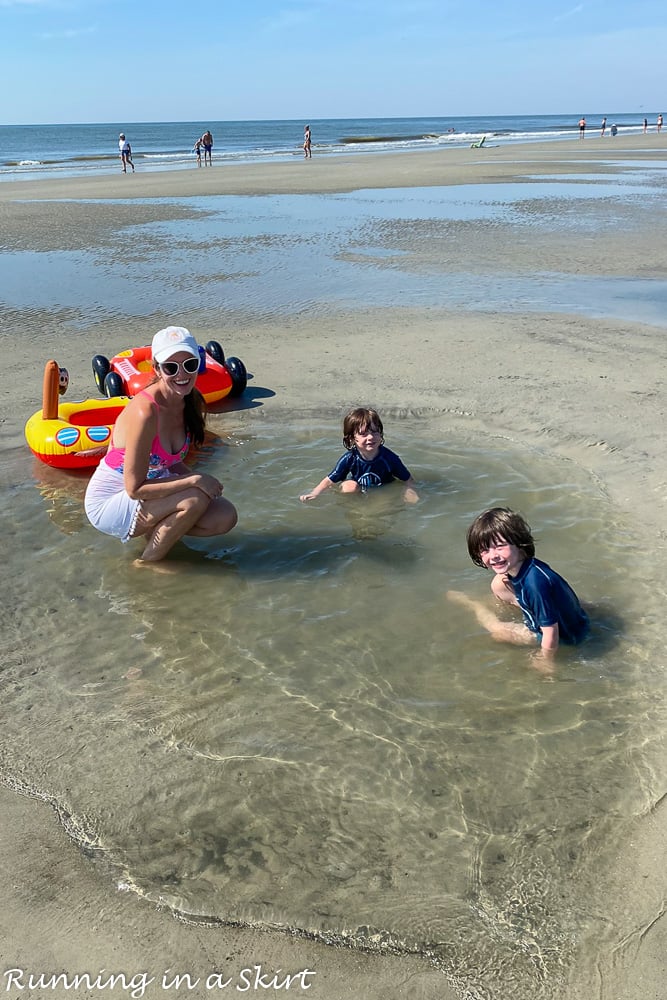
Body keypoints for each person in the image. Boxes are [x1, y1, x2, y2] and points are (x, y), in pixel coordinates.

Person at [84, 326, 237, 564]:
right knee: (193, 498)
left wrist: (200, 483)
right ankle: (147, 563)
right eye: (171, 367)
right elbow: (134, 489)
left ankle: (160, 533)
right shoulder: (145, 411)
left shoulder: (190, 401)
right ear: (156, 369)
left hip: (150, 487)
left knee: (224, 515)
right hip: (112, 499)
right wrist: (196, 479)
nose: (182, 374)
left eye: (189, 364)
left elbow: (170, 463)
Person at [447, 507, 589, 665]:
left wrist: (545, 661)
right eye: (484, 550)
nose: (493, 555)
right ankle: (517, 604)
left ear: (519, 544)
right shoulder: (531, 567)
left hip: (568, 638)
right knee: (499, 584)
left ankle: (472, 604)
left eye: (500, 546)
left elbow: (551, 632)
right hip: (578, 619)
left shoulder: (534, 584)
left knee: (497, 631)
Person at [299, 407, 418, 502]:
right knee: (349, 487)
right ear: (351, 438)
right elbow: (329, 480)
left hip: (382, 489)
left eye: (375, 432)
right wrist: (315, 493)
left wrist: (410, 491)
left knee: (383, 501)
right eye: (364, 434)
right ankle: (355, 506)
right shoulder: (350, 459)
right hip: (359, 490)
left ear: (381, 434)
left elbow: (409, 479)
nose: (371, 437)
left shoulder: (389, 458)